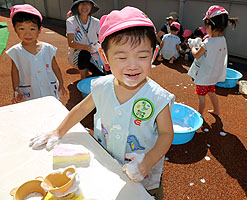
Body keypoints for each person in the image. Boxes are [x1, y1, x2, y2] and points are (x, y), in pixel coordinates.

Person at [29, 6, 175, 200]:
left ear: (154, 53)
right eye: (121, 57)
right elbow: (81, 109)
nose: (132, 65)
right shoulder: (101, 87)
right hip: (107, 161)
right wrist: (58, 131)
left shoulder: (158, 97)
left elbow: (166, 134)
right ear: (105, 58)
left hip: (143, 174)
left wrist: (147, 162)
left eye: (142, 56)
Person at [6, 4, 66, 103]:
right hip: (29, 91)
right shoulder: (16, 52)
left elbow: (55, 66)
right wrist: (16, 89)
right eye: (21, 29)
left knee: (51, 107)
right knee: (33, 110)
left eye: (32, 29)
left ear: (39, 30)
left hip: (48, 88)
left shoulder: (48, 49)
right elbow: (14, 72)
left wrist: (61, 82)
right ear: (15, 29)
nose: (27, 33)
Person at [187, 5, 238, 117]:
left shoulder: (208, 43)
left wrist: (192, 46)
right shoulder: (222, 40)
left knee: (201, 96)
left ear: (210, 26)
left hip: (204, 75)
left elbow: (196, 55)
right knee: (211, 93)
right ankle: (216, 110)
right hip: (213, 75)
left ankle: (199, 116)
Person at [66, 0, 106, 79]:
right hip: (77, 55)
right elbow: (71, 43)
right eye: (81, 3)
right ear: (77, 6)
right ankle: (83, 79)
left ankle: (92, 71)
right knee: (84, 54)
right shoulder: (71, 21)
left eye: (87, 3)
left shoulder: (96, 22)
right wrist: (87, 48)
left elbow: (103, 38)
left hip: (94, 53)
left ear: (91, 6)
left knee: (102, 74)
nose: (85, 6)